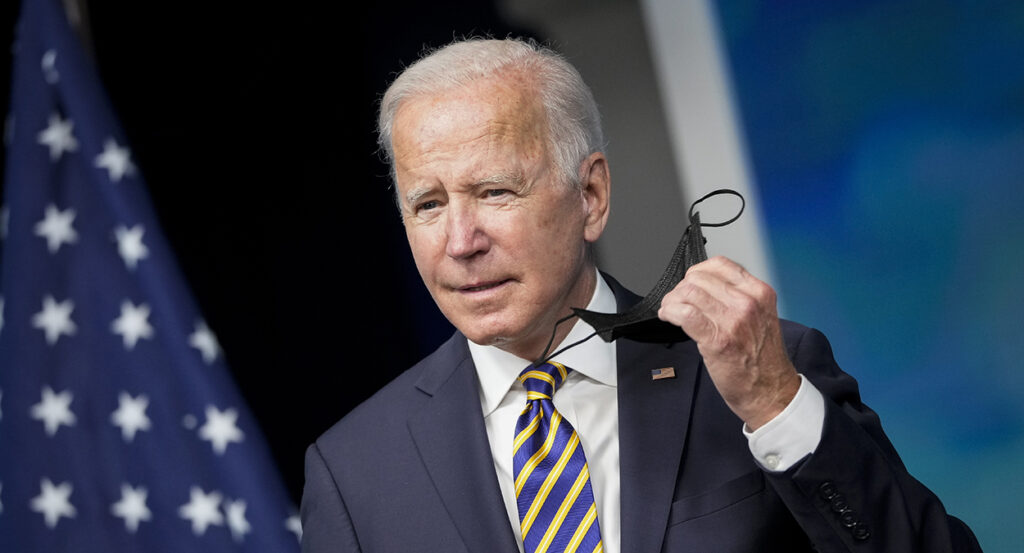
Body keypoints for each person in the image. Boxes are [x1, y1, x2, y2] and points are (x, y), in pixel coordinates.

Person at [300, 37, 981, 553]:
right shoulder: (356, 471)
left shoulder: (764, 369)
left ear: (590, 196)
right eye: (427, 204)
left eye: (494, 192)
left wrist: (777, 407)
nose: (460, 239)